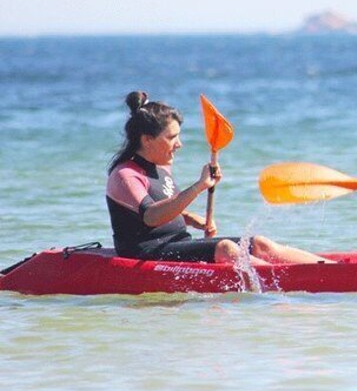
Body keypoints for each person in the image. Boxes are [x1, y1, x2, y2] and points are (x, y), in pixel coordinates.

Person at [107, 91, 329, 264]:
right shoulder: (125, 175)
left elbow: (169, 207)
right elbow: (151, 216)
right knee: (226, 249)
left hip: (177, 243)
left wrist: (194, 220)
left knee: (260, 244)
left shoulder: (161, 166)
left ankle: (328, 267)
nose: (179, 144)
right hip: (146, 253)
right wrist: (199, 186)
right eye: (171, 137)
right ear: (147, 140)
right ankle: (285, 280)